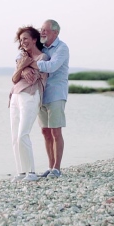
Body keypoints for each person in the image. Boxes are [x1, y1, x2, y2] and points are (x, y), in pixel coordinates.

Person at [23, 19, 69, 178]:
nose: (42, 32)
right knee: (45, 132)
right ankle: (50, 167)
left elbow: (52, 66)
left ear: (55, 32)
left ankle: (57, 168)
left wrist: (31, 64)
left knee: (56, 131)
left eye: (45, 30)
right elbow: (22, 54)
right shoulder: (41, 47)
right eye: (41, 29)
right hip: (41, 94)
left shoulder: (62, 48)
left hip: (56, 94)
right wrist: (23, 68)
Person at [9, 26, 50, 182]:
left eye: (25, 38)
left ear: (34, 39)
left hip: (31, 95)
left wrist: (26, 66)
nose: (23, 42)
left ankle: (31, 173)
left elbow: (33, 79)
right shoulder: (21, 57)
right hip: (15, 96)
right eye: (21, 40)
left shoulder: (43, 58)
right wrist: (22, 67)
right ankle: (21, 172)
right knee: (14, 136)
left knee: (22, 134)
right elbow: (14, 79)